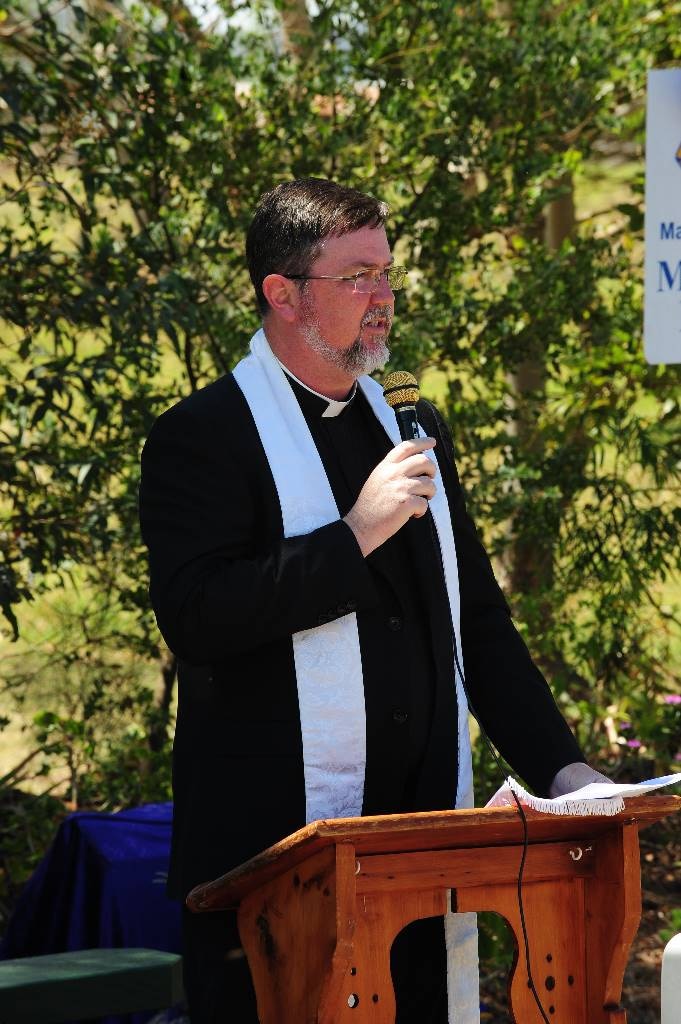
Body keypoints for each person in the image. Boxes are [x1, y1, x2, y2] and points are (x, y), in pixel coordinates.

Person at [139, 178, 608, 1024]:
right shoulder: (201, 437)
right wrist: (354, 534)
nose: (384, 297)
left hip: (417, 848)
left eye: (387, 273)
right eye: (357, 277)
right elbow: (198, 617)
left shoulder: (409, 424)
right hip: (268, 861)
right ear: (281, 294)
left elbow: (478, 626)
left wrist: (565, 775)